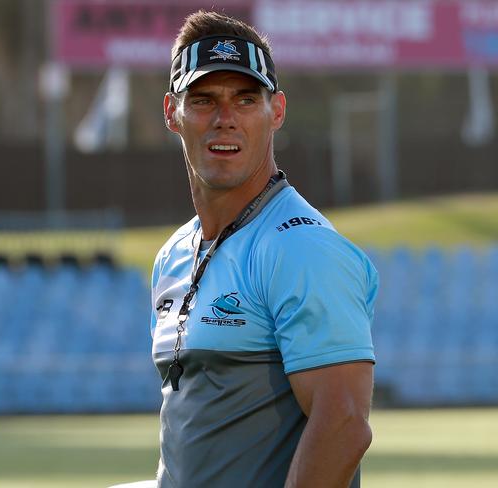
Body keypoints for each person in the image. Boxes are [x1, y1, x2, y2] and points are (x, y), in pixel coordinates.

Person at [115, 10, 378, 488]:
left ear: (276, 110)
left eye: (244, 99)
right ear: (171, 113)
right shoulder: (173, 254)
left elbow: (343, 425)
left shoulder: (301, 248)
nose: (225, 119)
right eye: (203, 100)